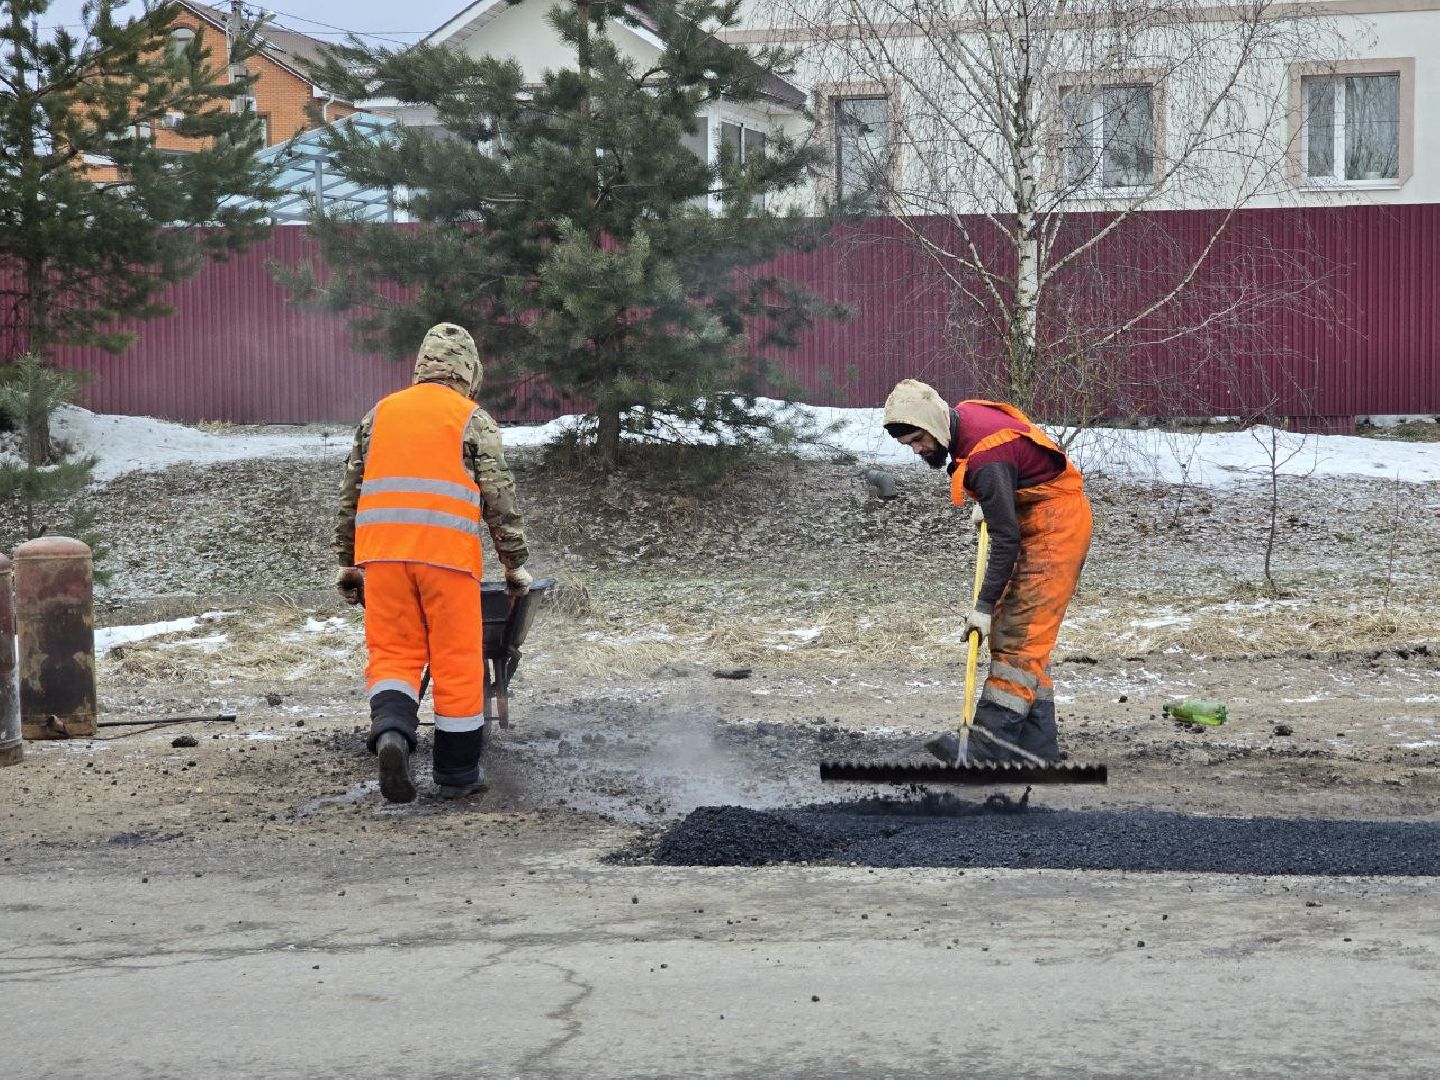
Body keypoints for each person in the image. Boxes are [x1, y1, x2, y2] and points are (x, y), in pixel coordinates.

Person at [334, 323, 531, 803]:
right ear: (468, 371)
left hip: (382, 557)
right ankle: (458, 773)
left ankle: (393, 736)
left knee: (394, 654)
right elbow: (498, 498)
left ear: (421, 366)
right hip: (446, 561)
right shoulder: (472, 419)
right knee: (457, 662)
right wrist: (514, 563)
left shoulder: (378, 415)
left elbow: (351, 493)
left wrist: (347, 561)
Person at [882, 379, 1092, 764]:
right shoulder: (964, 419)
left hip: (1054, 529)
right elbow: (1017, 456)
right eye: (909, 445)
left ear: (933, 423)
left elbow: (1006, 540)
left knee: (1019, 635)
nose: (917, 450)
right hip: (1038, 515)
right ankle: (1034, 747)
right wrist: (998, 498)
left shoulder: (984, 460)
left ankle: (986, 746)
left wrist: (983, 605)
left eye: (917, 440)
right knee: (1024, 637)